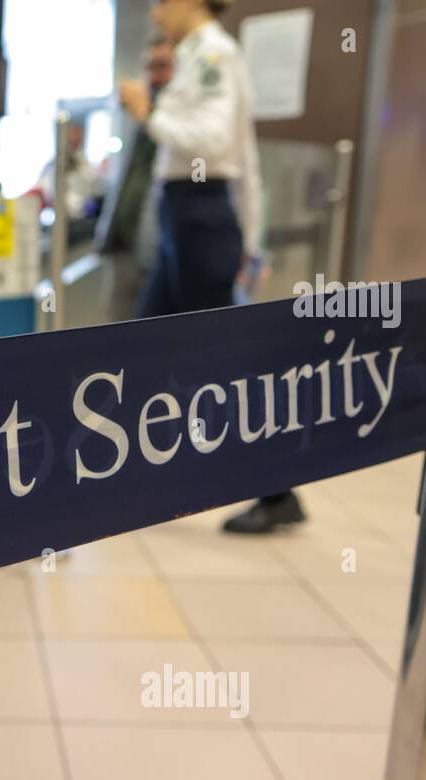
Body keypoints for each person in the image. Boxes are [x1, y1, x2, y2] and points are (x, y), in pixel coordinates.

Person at [120, 0, 302, 534]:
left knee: (226, 367)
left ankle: (278, 491)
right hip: (187, 217)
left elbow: (215, 143)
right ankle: (130, 474)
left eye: (161, 3)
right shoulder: (198, 53)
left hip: (201, 217)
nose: (156, 14)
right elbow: (243, 152)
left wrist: (148, 111)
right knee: (141, 347)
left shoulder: (214, 54)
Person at [96, 35, 175, 323]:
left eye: (162, 66)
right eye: (149, 66)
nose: (153, 76)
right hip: (122, 246)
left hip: (157, 253)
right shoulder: (136, 117)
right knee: (115, 338)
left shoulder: (178, 120)